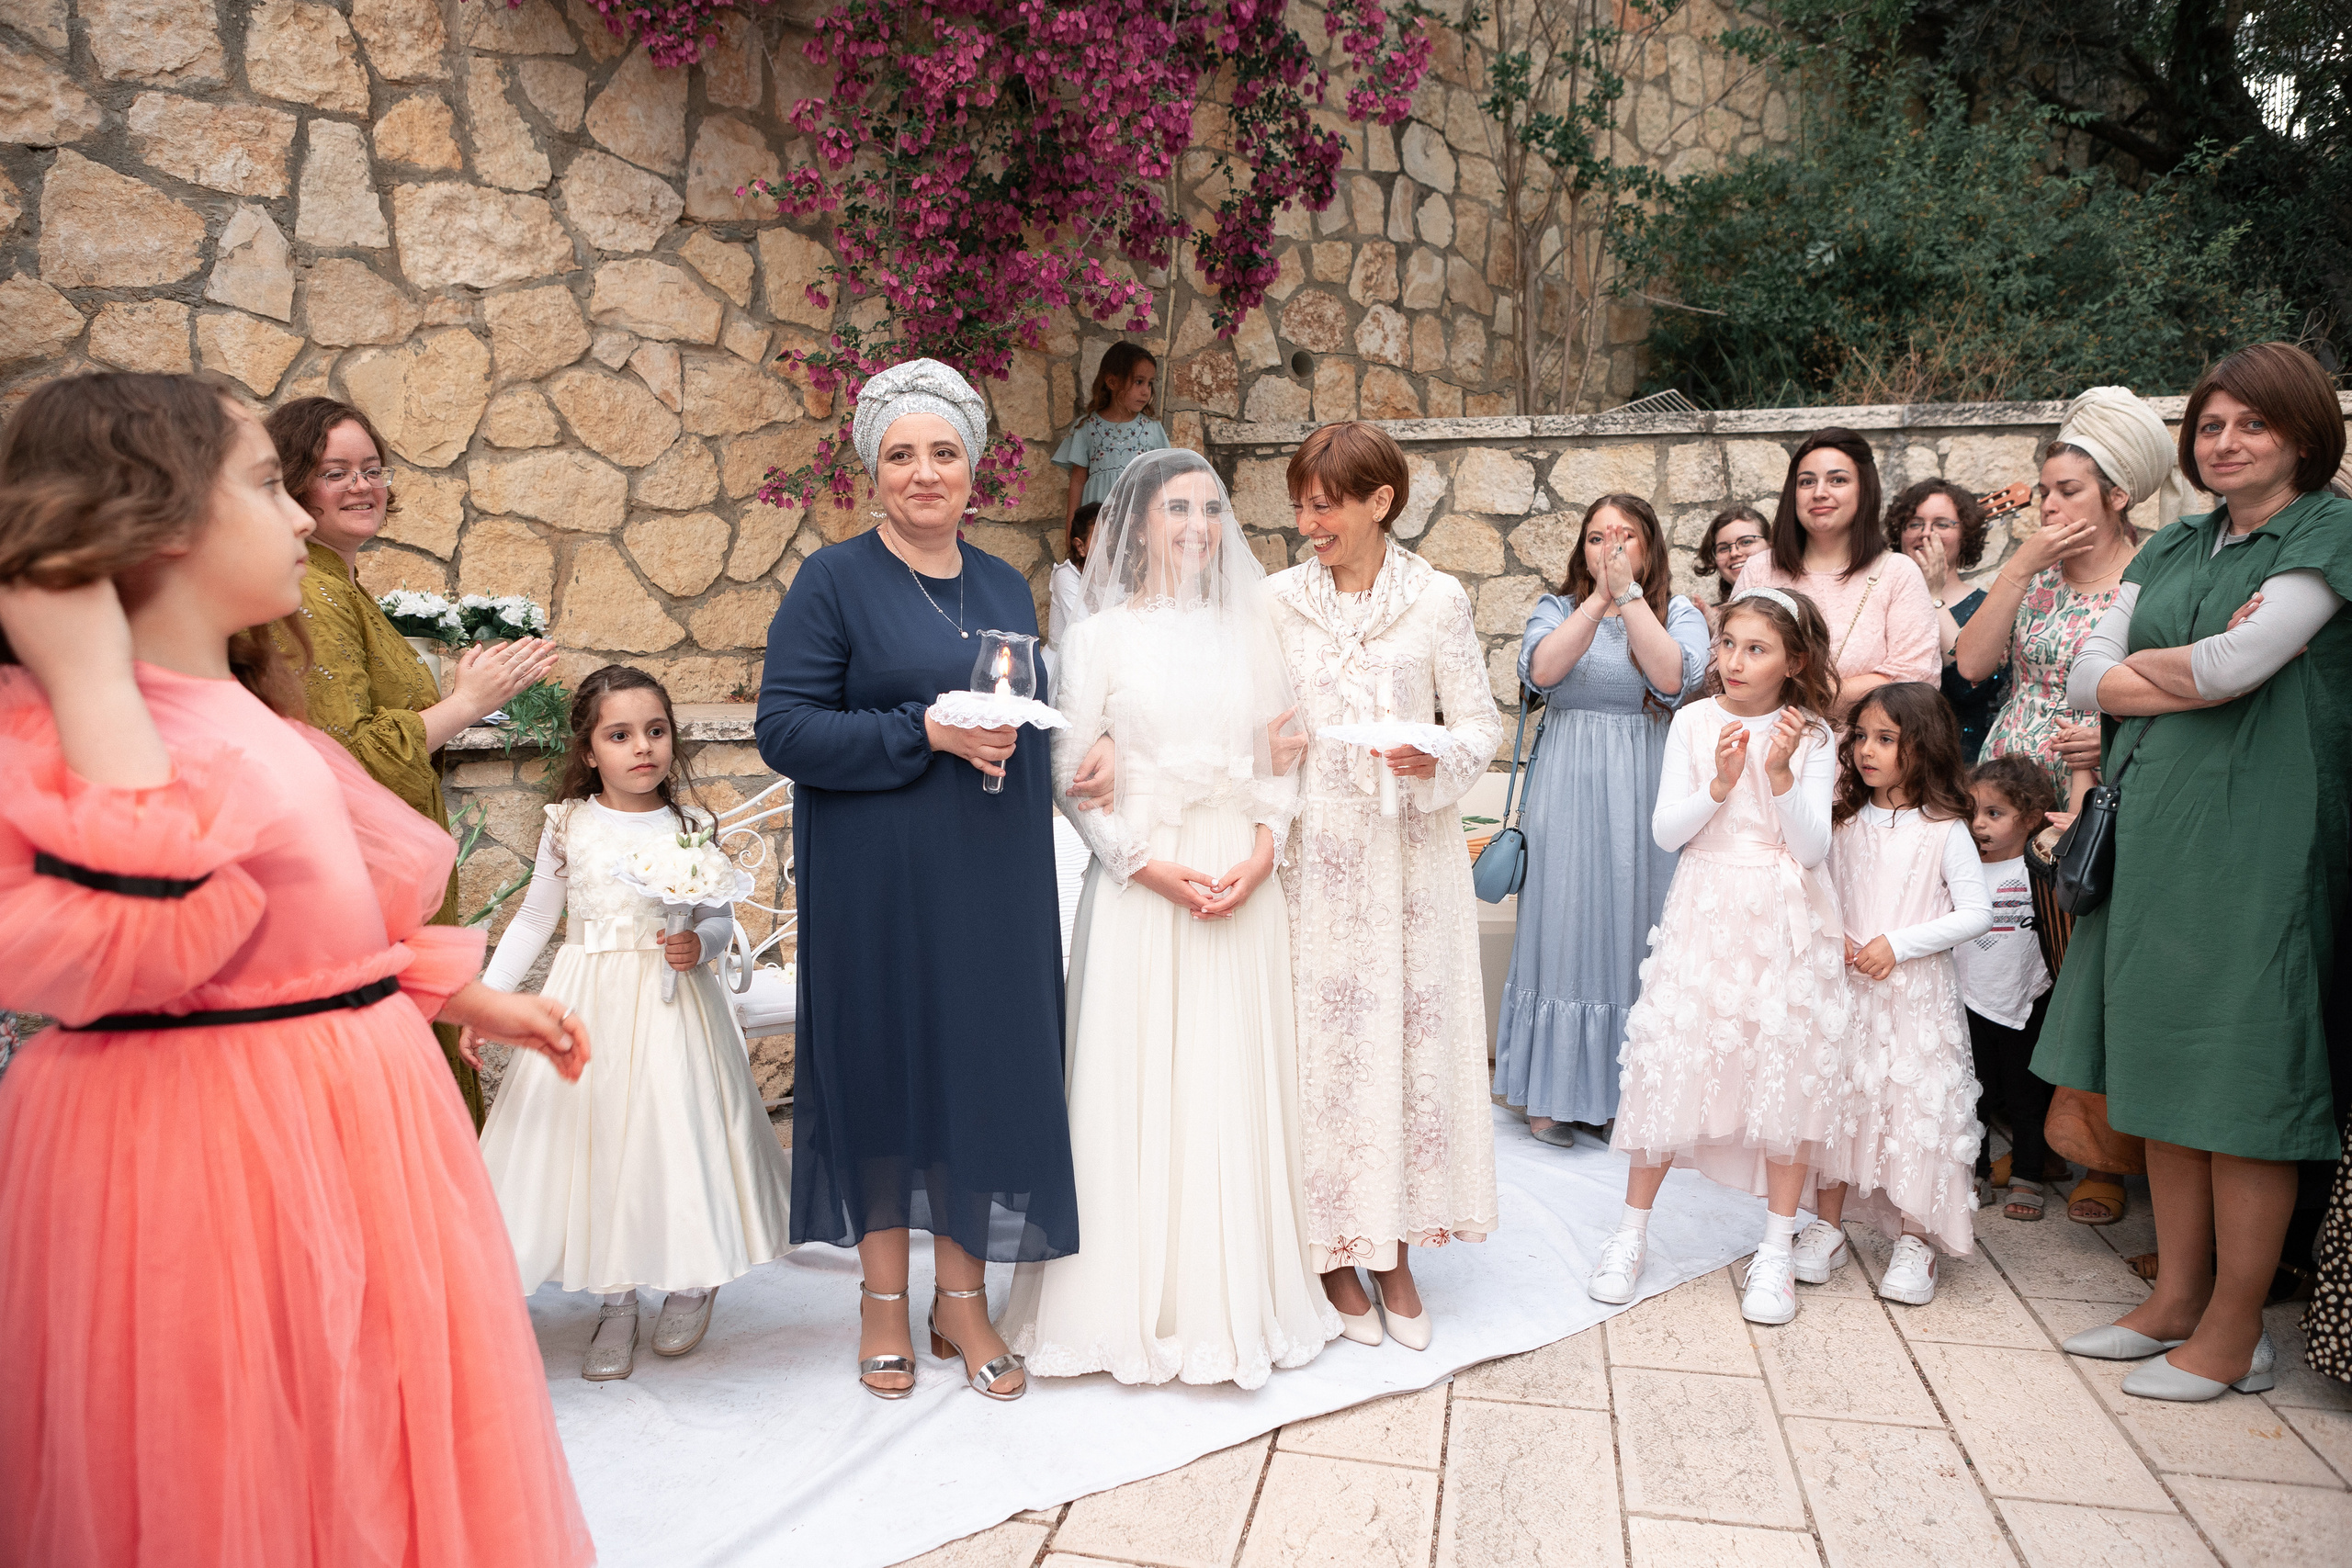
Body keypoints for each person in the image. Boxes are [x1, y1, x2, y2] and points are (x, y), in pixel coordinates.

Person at [0, 372, 592, 1565]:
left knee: (363, 1428)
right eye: (270, 485)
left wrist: (459, 991)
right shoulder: (66, 728)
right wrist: (88, 671)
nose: (306, 519)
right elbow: (143, 931)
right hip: (207, 1151)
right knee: (238, 1451)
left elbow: (318, 924)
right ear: (152, 519)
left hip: (352, 1119)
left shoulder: (257, 716)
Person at [755, 358, 1079, 1403]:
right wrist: (923, 731)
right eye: (902, 455)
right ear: (873, 470)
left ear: (972, 468)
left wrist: (1069, 746)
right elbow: (786, 730)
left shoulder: (1000, 584)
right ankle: (883, 1304)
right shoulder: (831, 581)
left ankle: (964, 1303)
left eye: (943, 453)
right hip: (878, 884)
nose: (924, 472)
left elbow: (1025, 704)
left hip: (990, 876)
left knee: (980, 1073)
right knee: (889, 1073)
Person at [2041, 341, 2349, 1404]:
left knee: (2244, 1080)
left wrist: (2166, 674)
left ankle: (2233, 1332)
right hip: (2161, 838)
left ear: (2302, 434)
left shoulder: (2330, 533)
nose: (2224, 443)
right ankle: (2174, 1299)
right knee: (2165, 1070)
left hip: (2263, 842)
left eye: (2249, 425)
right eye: (2210, 426)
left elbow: (2236, 668)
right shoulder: (2175, 544)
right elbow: (2087, 679)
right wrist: (2187, 677)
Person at [1001, 450, 1339, 1386]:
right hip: (1146, 883)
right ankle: (1120, 1306)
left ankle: (1227, 1296)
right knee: (1133, 1077)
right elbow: (1069, 769)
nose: (1196, 525)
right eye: (1176, 509)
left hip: (1238, 873)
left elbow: (1285, 746)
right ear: (1139, 523)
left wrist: (1265, 849)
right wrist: (1144, 865)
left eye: (1209, 508)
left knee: (1227, 1077)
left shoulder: (1253, 627)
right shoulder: (1099, 636)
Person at [474, 665, 793, 1382]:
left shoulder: (689, 827)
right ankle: (615, 1299)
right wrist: (487, 998)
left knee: (673, 1135)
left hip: (673, 1002)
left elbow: (716, 914)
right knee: (596, 1140)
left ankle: (689, 1278)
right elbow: (534, 918)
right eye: (619, 734)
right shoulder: (569, 826)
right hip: (589, 996)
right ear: (589, 751)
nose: (641, 747)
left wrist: (701, 944)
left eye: (655, 730)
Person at [1269, 421, 1505, 1349]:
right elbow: (1251, 719)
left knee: (1401, 1052)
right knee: (1321, 1053)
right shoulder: (1274, 602)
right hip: (1308, 863)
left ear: (1379, 503)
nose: (1306, 520)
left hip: (1408, 863)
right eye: (1299, 502)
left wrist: (1431, 754)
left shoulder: (1437, 601)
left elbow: (1480, 728)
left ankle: (1395, 1247)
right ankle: (1328, 1248)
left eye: (1322, 503)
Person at [265, 398, 558, 1123]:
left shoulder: (341, 586)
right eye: (336, 472)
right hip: (363, 890)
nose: (362, 485)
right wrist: (465, 702)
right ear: (293, 486)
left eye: (372, 469)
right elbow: (342, 755)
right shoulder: (311, 592)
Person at [1590, 587, 1846, 1325]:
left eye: (1756, 648)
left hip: (1780, 912)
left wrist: (1782, 773)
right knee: (1674, 1062)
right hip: (1705, 906)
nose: (1734, 661)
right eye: (1728, 643)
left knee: (1783, 1071)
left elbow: (1813, 848)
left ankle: (1775, 1249)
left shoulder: (1815, 735)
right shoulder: (1695, 722)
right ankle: (1631, 1233)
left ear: (1793, 661)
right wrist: (1720, 785)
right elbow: (1668, 831)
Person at [1494, 493, 1708, 1146]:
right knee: (1562, 921)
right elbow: (1542, 672)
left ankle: (1627, 1092)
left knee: (1636, 919)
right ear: (1580, 550)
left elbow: (1674, 678)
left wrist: (1631, 598)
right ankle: (1552, 1093)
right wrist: (1597, 599)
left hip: (1645, 780)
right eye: (1596, 537)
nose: (1609, 548)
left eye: (1625, 536)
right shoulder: (1555, 608)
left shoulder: (1679, 612)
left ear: (1649, 548)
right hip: (1566, 782)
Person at [1807, 685, 1991, 1307]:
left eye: (1885, 738)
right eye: (1860, 736)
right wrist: (1836, 934)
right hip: (1849, 993)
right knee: (1842, 1102)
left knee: (1914, 1110)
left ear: (1925, 745)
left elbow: (1975, 912)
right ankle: (1826, 1226)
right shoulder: (1842, 822)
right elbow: (1821, 892)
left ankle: (1917, 1237)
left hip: (1915, 998)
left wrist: (1900, 943)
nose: (1866, 750)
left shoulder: (1944, 830)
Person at [1958, 387, 2184, 806]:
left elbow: (2175, 691)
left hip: (2096, 788)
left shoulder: (2148, 583)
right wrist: (2021, 566)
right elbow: (1971, 664)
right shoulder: (2034, 579)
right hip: (2005, 784)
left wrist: (2112, 737)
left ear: (2117, 497)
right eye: (2045, 493)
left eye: (2069, 491)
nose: (2049, 506)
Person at [1736, 427, 1939, 720]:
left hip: (1862, 757)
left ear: (1863, 489)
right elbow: (1726, 665)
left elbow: (1914, 679)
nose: (1820, 493)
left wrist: (1808, 697)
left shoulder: (1897, 572)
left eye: (1838, 480)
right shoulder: (1759, 569)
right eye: (1807, 482)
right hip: (1765, 750)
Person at [1959, 755, 2060, 1220]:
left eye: (1994, 814)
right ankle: (1975, 1171)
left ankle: (2028, 1174)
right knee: (1972, 1092)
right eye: (1974, 813)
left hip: (2027, 999)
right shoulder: (1963, 870)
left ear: (2032, 818)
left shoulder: (2038, 869)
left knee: (2026, 1094)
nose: (1979, 825)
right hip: (1968, 998)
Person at [1887, 479, 2008, 761]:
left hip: (1957, 760)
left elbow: (1969, 688)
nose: (1926, 533)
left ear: (1965, 535)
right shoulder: (1881, 600)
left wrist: (1933, 594)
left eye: (1942, 524)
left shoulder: (1986, 606)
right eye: (1914, 524)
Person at [1053, 344, 1170, 529]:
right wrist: (1071, 532)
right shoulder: (1087, 427)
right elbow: (1077, 481)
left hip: (1137, 523)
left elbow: (1163, 481)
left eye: (1149, 383)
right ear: (1112, 382)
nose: (1146, 391)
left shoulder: (1152, 428)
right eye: (1139, 381)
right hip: (1096, 523)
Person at [1693, 505, 1770, 636]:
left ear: (1771, 543)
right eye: (1723, 548)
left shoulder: (1799, 598)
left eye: (1746, 542)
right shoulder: (1708, 618)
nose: (1734, 553)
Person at [1047, 500, 1102, 649]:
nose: (1109, 541)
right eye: (1100, 537)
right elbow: (1082, 627)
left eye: (1112, 534)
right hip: (1064, 662)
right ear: (1080, 546)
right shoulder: (1066, 575)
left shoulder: (1120, 577)